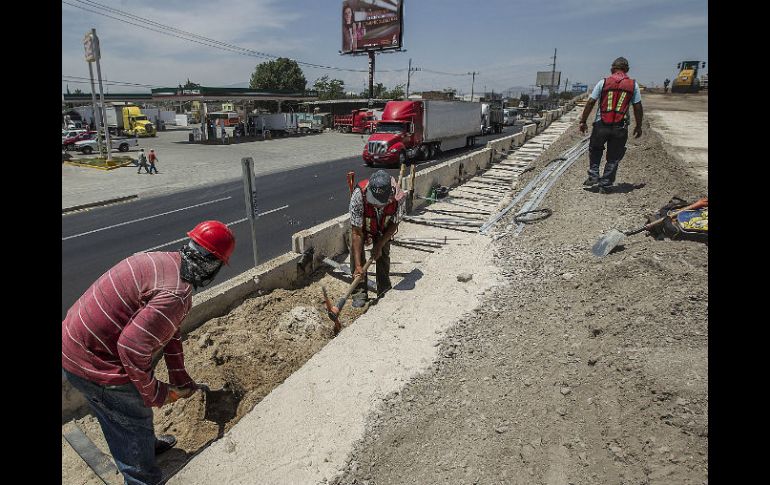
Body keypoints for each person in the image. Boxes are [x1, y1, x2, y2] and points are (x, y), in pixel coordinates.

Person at [62, 221, 236, 485]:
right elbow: (130, 350)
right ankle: (142, 477)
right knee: (131, 411)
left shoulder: (162, 261)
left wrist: (179, 376)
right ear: (212, 265)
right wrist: (156, 394)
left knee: (118, 413)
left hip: (73, 341)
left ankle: (144, 444)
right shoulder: (175, 295)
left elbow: (167, 328)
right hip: (92, 360)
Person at [578, 57, 643, 193]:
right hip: (620, 126)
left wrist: (583, 121)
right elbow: (637, 107)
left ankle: (594, 175)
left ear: (612, 69)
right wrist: (638, 125)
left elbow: (590, 102)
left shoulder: (603, 82)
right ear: (627, 70)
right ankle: (606, 184)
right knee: (614, 156)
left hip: (601, 124)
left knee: (595, 149)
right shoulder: (633, 85)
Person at [349, 170, 406, 307]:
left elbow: (394, 224)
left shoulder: (399, 197)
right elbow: (356, 232)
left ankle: (383, 289)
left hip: (384, 228)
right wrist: (358, 266)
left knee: (383, 255)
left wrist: (379, 245)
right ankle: (359, 292)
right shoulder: (359, 195)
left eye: (380, 203)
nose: (376, 205)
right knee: (355, 253)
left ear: (390, 195)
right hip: (362, 226)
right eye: (373, 201)